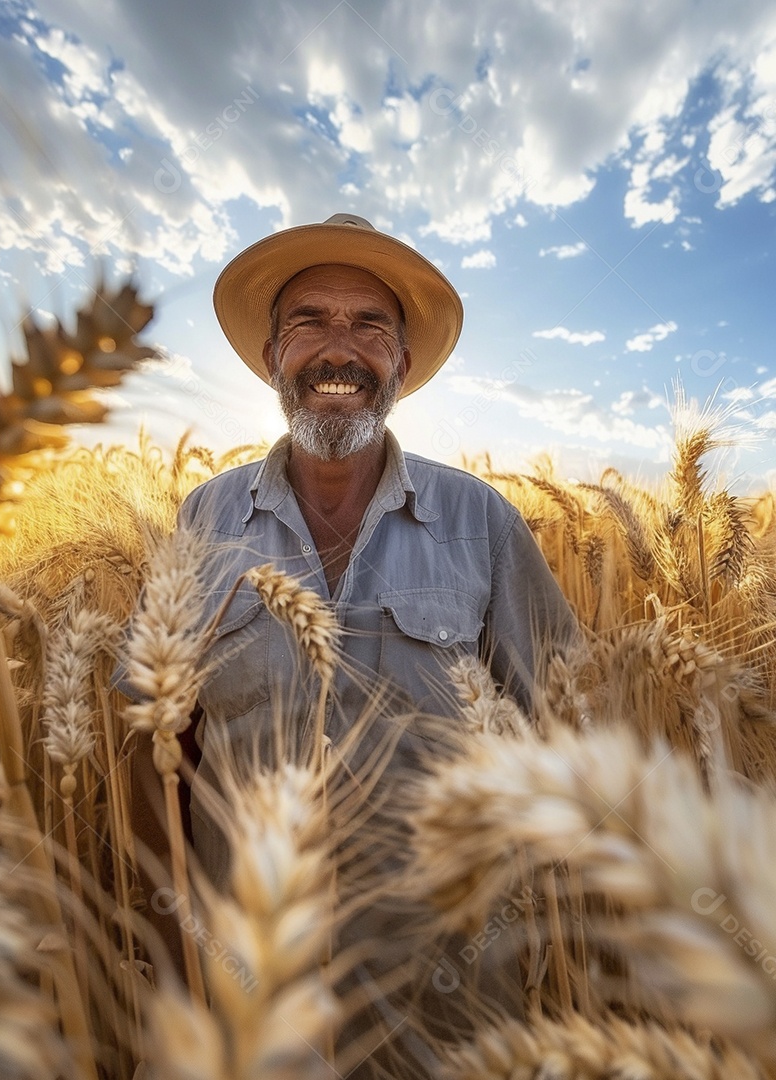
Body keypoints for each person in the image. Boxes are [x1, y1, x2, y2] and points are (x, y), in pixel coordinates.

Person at [133, 213, 578, 1074]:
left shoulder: (483, 522)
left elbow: (565, 724)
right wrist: (177, 955)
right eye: (309, 322)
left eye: (370, 325)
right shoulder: (203, 520)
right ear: (271, 357)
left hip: (444, 1008)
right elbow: (155, 750)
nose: (340, 349)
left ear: (403, 367)